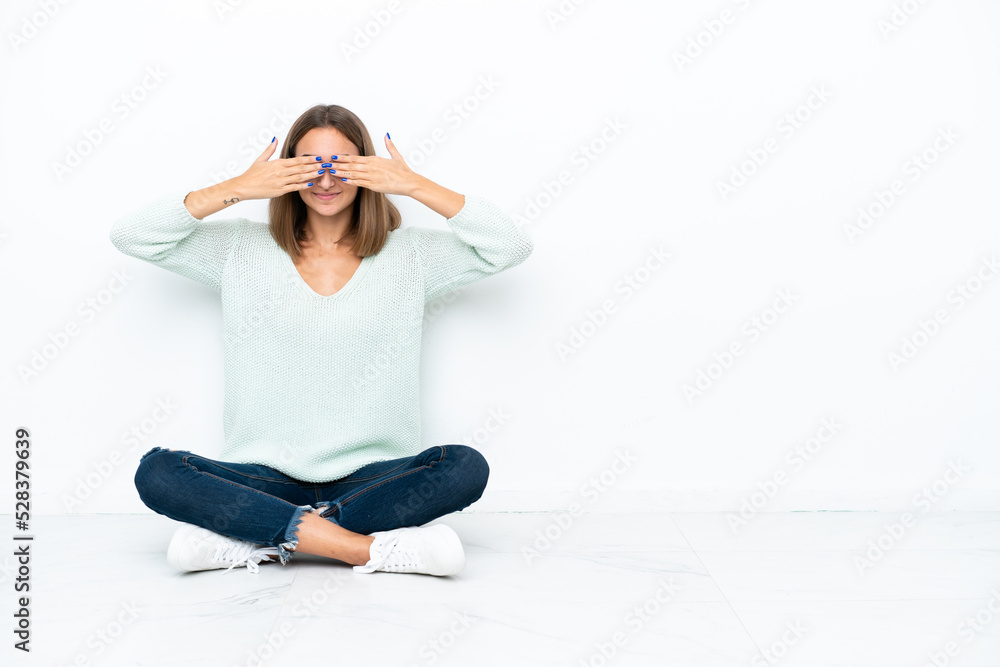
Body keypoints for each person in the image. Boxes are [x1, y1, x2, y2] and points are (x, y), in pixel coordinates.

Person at [109, 104, 533, 576]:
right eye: (310, 165)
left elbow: (510, 246)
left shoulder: (410, 256)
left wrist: (413, 184)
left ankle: (261, 537)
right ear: (287, 171)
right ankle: (362, 549)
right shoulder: (238, 249)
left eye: (343, 165)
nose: (326, 181)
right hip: (262, 476)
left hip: (372, 480)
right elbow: (133, 236)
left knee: (463, 468)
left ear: (368, 169)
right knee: (158, 472)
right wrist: (236, 189)